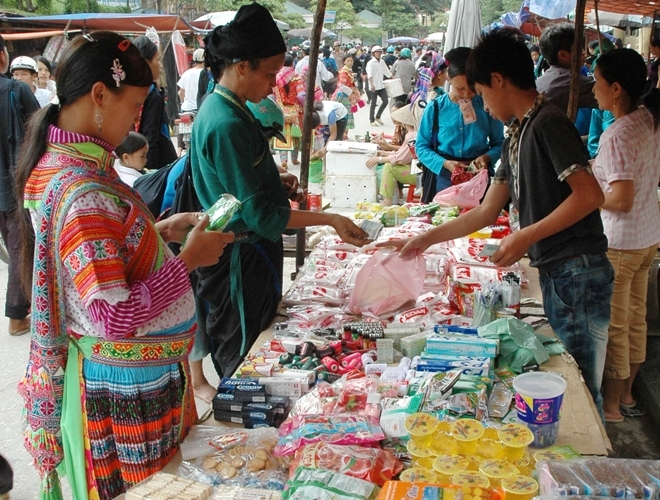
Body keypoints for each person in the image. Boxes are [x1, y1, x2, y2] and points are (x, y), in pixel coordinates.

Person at [14, 31, 231, 500]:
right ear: (98, 95)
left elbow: (98, 258)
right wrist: (188, 261)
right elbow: (113, 316)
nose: (139, 118)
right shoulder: (83, 190)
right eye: (134, 105)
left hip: (135, 381)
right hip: (129, 391)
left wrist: (160, 232)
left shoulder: (77, 167)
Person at [381, 29, 613, 416]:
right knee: (567, 381)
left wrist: (526, 236)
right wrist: (423, 239)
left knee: (582, 387)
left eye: (483, 93)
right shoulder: (516, 133)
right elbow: (486, 212)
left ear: (499, 81)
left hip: (578, 270)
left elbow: (590, 195)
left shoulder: (548, 124)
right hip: (557, 270)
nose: (483, 106)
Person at [189, 3, 368, 379]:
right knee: (245, 361)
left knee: (258, 346)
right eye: (270, 74)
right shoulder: (225, 123)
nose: (274, 85)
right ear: (242, 67)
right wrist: (331, 219)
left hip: (252, 252)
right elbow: (259, 214)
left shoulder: (233, 109)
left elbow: (239, 185)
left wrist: (275, 181)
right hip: (238, 258)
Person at [590, 49, 660, 423]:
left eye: (598, 82)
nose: (593, 89)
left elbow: (621, 198)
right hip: (647, 236)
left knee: (616, 325)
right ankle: (629, 394)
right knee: (636, 318)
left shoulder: (618, 134)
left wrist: (588, 191)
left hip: (620, 241)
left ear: (616, 89)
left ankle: (613, 405)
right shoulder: (648, 119)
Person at [415, 47, 504, 202]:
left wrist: (487, 157)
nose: (467, 94)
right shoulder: (435, 107)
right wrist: (445, 163)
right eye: (460, 88)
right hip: (444, 178)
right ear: (449, 78)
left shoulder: (488, 106)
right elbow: (421, 147)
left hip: (479, 178)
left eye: (472, 89)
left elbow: (500, 143)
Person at [0, 35, 40, 337]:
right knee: (20, 246)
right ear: (3, 59)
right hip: (12, 184)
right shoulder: (15, 91)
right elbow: (40, 133)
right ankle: (17, 315)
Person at [132, 35, 178, 170]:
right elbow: (151, 139)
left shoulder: (136, 92)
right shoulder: (151, 96)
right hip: (157, 166)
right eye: (158, 60)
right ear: (146, 64)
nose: (161, 66)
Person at [535, 23, 598, 114]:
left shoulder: (541, 80)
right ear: (563, 55)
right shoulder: (573, 81)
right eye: (579, 48)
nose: (584, 52)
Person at [366, 104, 418, 206]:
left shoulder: (411, 136)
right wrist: (384, 153)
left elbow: (400, 158)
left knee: (389, 167)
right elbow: (401, 153)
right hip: (417, 168)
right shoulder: (412, 133)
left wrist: (379, 159)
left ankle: (387, 201)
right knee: (388, 165)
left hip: (419, 173)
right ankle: (390, 198)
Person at [273, 54, 304, 169]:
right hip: (295, 112)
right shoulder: (296, 78)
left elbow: (272, 95)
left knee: (283, 134)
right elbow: (301, 95)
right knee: (295, 135)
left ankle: (283, 160)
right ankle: (294, 159)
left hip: (280, 110)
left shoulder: (276, 77)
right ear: (292, 64)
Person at [409, 50, 448, 129]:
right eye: (446, 72)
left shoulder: (417, 94)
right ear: (439, 74)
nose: (447, 77)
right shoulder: (438, 98)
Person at [332, 54, 360, 133]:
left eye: (351, 61)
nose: (350, 62)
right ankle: (343, 133)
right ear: (344, 61)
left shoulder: (348, 71)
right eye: (348, 61)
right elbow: (342, 86)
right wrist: (352, 91)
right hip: (343, 96)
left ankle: (343, 133)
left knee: (345, 114)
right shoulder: (344, 72)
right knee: (345, 114)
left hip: (347, 95)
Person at [366, 45, 392, 126]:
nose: (379, 54)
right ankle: (371, 120)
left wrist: (393, 77)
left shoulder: (382, 62)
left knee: (385, 101)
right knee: (373, 103)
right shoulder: (370, 63)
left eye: (380, 52)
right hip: (374, 86)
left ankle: (378, 116)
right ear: (373, 53)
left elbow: (387, 72)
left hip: (381, 85)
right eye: (377, 52)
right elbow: (369, 75)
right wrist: (371, 84)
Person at [178, 48, 205, 113]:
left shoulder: (186, 73)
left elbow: (181, 92)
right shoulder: (206, 74)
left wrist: (183, 102)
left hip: (186, 109)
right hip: (201, 108)